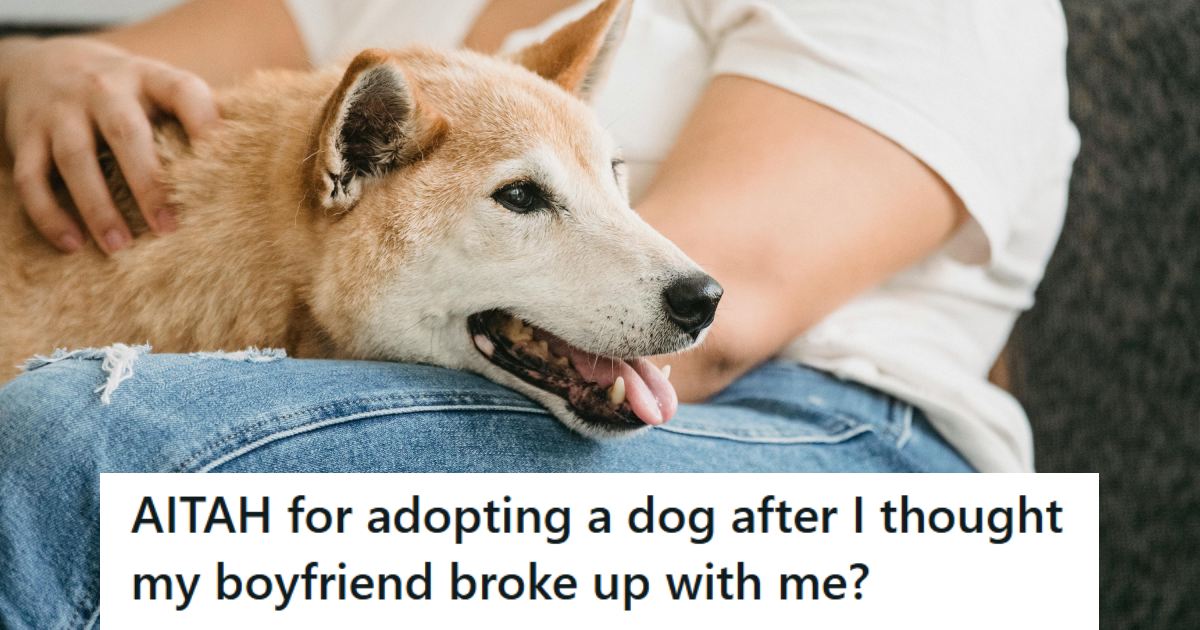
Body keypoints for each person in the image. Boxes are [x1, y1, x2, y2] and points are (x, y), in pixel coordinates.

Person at [0, 1, 1077, 627]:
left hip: (837, 448)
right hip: (456, 376)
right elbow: (135, 94)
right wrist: (32, 65)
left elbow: (710, 306)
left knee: (88, 446)